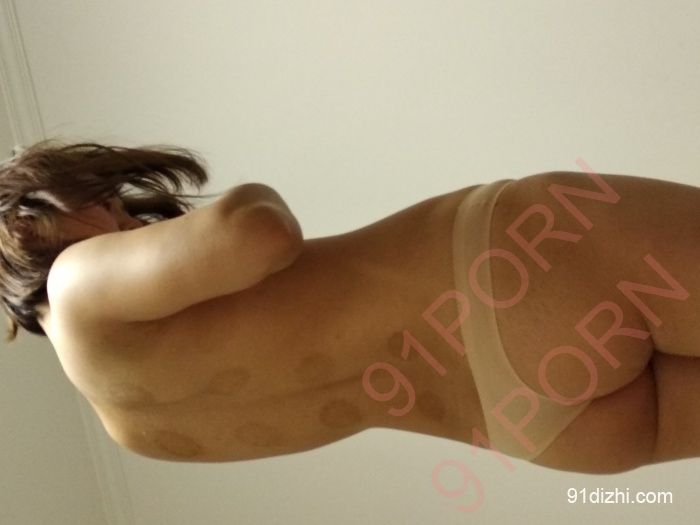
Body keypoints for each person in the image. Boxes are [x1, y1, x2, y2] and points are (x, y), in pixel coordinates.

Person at [1, 139, 698, 474]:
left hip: (538, 428)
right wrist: (236, 201)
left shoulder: (129, 427)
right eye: (108, 208)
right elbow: (258, 233)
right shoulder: (75, 285)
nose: (127, 222)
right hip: (520, 274)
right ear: (25, 222)